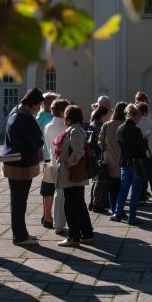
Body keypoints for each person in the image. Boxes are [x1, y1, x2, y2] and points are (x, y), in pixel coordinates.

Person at [2, 88, 46, 246]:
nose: (40, 108)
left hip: (16, 163)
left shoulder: (18, 111)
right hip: (19, 165)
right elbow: (37, 141)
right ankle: (19, 236)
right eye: (39, 105)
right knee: (19, 202)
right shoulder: (23, 118)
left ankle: (22, 233)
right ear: (33, 103)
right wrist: (40, 137)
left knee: (19, 202)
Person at [55, 105, 95, 247]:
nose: (64, 119)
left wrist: (67, 164)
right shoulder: (75, 130)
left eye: (65, 116)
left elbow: (78, 151)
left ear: (69, 118)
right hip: (75, 175)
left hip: (73, 174)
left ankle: (73, 237)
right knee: (79, 205)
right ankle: (87, 234)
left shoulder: (75, 131)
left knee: (71, 206)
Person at [111, 104, 147, 225]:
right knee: (135, 192)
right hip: (136, 163)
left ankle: (117, 213)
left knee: (123, 190)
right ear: (136, 117)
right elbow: (142, 147)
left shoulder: (120, 128)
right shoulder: (136, 130)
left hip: (124, 162)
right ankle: (132, 217)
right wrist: (145, 139)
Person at [43, 98, 70, 235]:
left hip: (53, 162)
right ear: (61, 111)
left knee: (58, 193)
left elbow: (48, 147)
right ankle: (59, 223)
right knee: (62, 194)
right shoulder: (65, 127)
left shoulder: (48, 126)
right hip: (65, 163)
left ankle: (59, 222)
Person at [99, 102, 125, 216]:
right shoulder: (126, 125)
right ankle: (120, 209)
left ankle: (115, 209)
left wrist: (107, 148)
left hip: (109, 158)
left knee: (112, 187)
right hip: (124, 159)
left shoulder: (107, 125)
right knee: (122, 187)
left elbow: (100, 142)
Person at [37, 93, 58, 229]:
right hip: (50, 155)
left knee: (47, 188)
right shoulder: (47, 118)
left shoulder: (40, 116)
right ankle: (47, 216)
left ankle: (46, 215)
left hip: (48, 155)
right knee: (50, 188)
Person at [87, 105, 111, 213]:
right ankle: (97, 204)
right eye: (107, 115)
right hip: (99, 156)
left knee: (95, 181)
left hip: (92, 156)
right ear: (103, 115)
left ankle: (92, 203)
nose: (109, 117)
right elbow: (101, 141)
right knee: (100, 181)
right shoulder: (100, 125)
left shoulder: (92, 123)